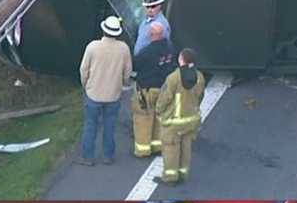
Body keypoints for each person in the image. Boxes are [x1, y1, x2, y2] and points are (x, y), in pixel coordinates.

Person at [78, 16, 132, 166]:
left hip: (93, 93)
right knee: (110, 126)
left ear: (103, 30)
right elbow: (127, 72)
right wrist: (122, 84)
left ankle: (87, 157)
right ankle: (108, 155)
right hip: (113, 95)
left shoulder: (93, 47)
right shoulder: (123, 48)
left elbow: (84, 69)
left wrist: (86, 85)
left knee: (90, 125)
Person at [153, 48, 205, 184]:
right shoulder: (199, 76)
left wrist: (159, 110)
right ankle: (183, 173)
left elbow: (165, 98)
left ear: (181, 59)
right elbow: (200, 96)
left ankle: (170, 177)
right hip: (192, 120)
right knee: (186, 147)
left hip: (174, 122)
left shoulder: (173, 78)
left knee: (171, 149)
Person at [131, 22, 176, 157]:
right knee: (159, 118)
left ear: (151, 35)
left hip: (147, 90)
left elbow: (135, 66)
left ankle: (143, 150)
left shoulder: (147, 52)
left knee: (143, 118)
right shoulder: (170, 48)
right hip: (164, 88)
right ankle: (158, 147)